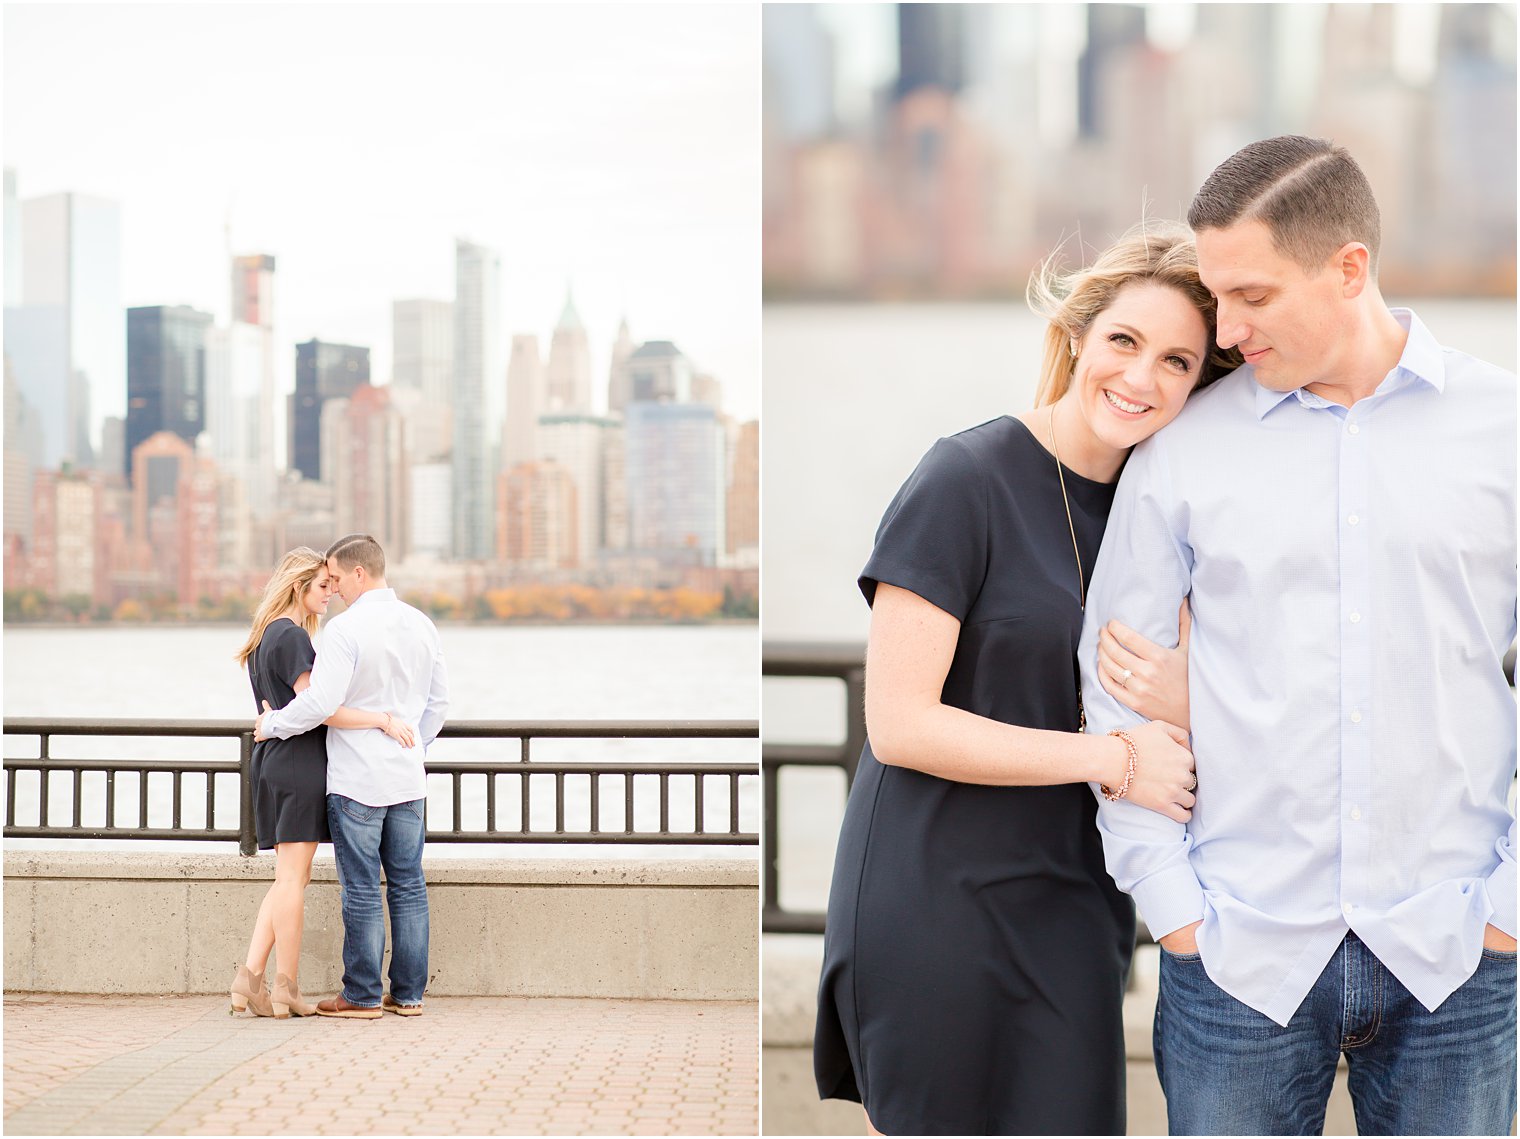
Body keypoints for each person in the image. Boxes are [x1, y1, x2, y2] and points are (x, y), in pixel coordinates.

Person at [1080, 136, 1517, 1135]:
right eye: (1213, 295)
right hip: (1237, 957)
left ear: (1347, 268)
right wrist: (1176, 910)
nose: (1223, 327)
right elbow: (1110, 679)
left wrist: (1506, 910)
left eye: (1251, 296)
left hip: (1454, 950)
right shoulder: (1184, 448)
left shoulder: (1503, 427)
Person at [813, 225, 1241, 1136]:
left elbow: (1210, 698)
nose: (1141, 377)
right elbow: (898, 723)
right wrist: (1115, 756)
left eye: (1177, 361)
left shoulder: (1166, 512)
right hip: (938, 900)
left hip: (1076, 905)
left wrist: (1176, 711)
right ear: (1078, 335)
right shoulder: (964, 476)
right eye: (1124, 341)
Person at [256, 534, 449, 1019]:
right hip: (407, 778)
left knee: (362, 887)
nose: (335, 589)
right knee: (408, 884)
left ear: (359, 574)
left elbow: (319, 705)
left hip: (356, 779)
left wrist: (272, 724)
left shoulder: (344, 631)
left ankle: (362, 996)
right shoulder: (422, 624)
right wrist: (411, 748)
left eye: (338, 578)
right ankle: (408, 996)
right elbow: (439, 704)